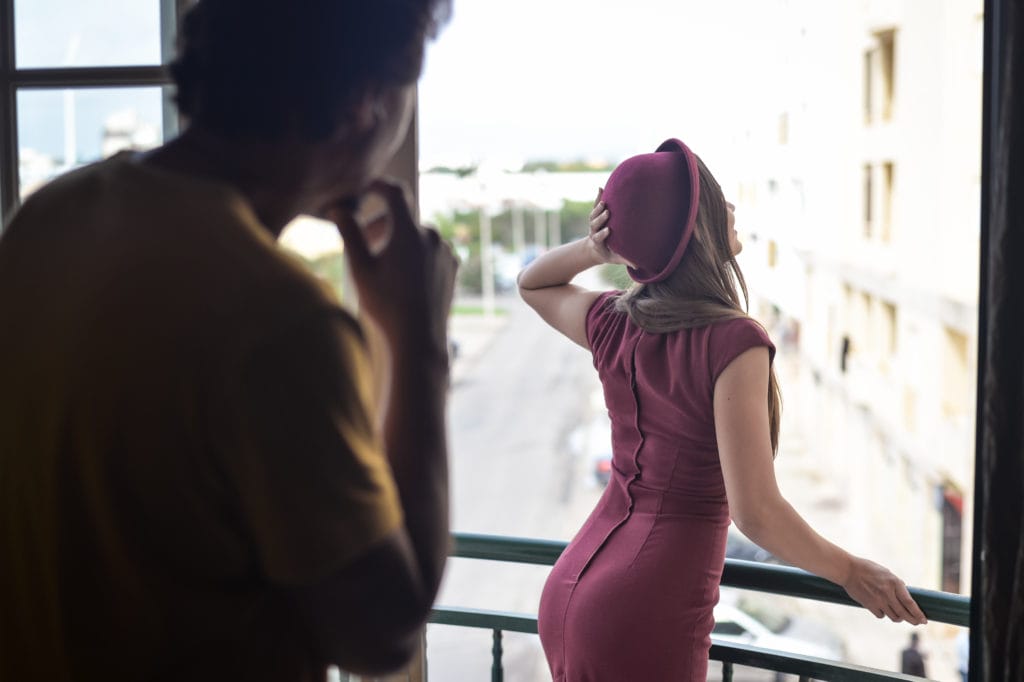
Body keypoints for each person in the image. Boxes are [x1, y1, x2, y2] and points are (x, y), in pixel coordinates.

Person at [0, 1, 455, 680]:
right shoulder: (278, 322)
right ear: (368, 103)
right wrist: (417, 341)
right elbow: (383, 639)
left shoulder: (51, 216)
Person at [518, 138, 927, 680]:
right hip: (646, 607)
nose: (730, 208)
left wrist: (598, 251)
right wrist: (850, 570)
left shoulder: (615, 322)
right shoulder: (734, 339)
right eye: (713, 201)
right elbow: (755, 511)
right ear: (694, 235)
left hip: (574, 586)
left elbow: (534, 283)